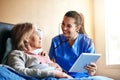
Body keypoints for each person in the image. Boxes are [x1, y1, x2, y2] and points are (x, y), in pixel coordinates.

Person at [49, 11, 113, 80]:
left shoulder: (87, 43)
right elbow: (49, 65)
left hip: (83, 78)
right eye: (63, 24)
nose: (64, 28)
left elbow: (91, 73)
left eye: (69, 26)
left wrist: (92, 71)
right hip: (63, 77)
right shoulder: (55, 41)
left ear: (77, 28)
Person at [7, 22, 72, 80]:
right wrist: (54, 73)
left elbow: (59, 71)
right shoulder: (17, 54)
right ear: (26, 38)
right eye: (36, 33)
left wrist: (53, 65)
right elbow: (18, 71)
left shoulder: (42, 55)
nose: (40, 37)